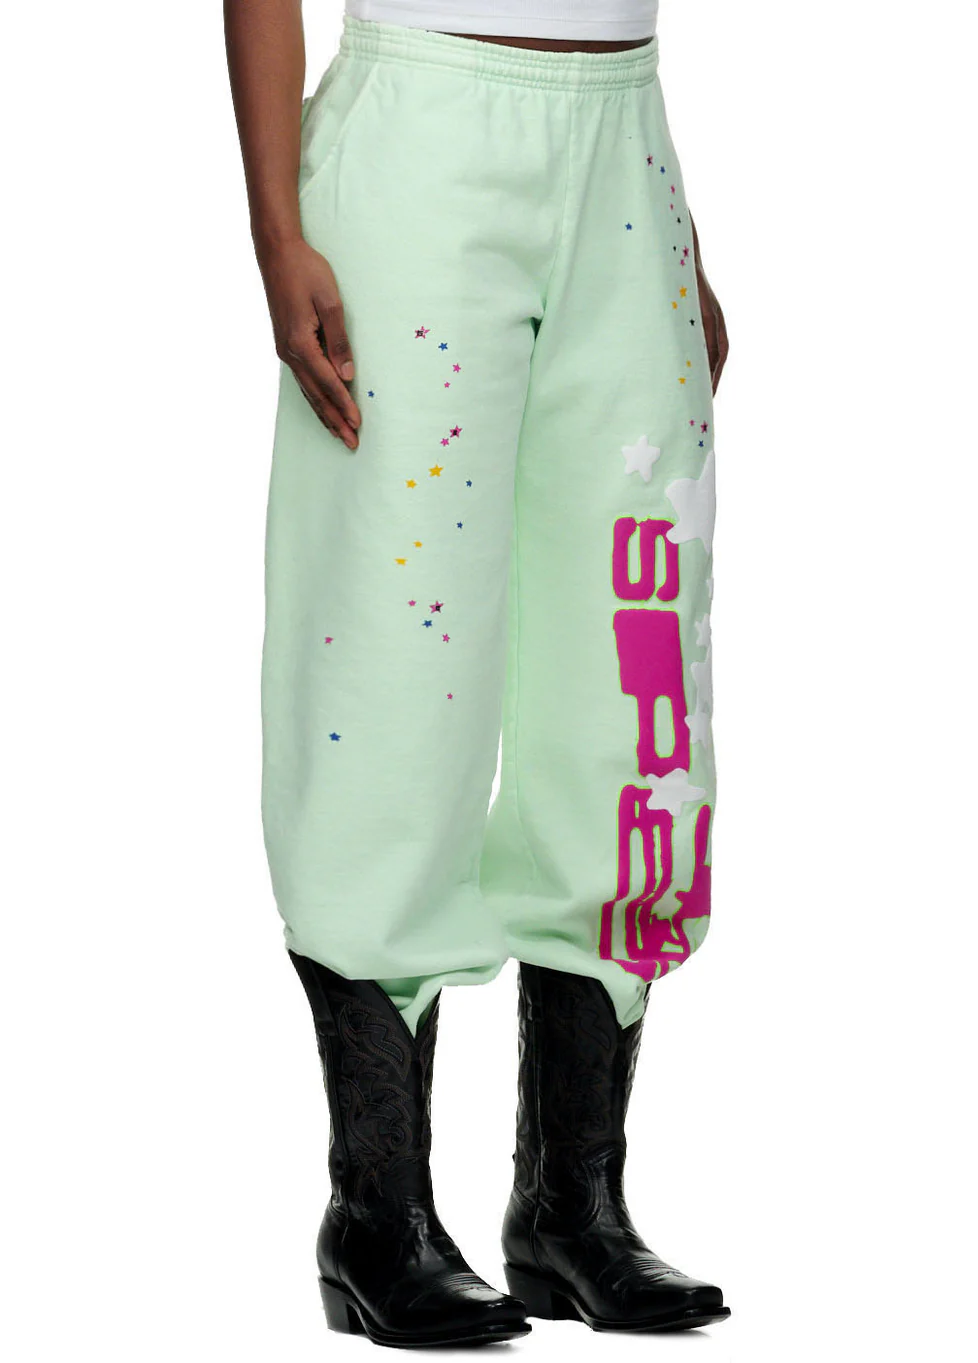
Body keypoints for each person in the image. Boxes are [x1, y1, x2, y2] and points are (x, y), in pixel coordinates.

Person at [226, 0, 730, 1348]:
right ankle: (377, 1215)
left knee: (629, 678)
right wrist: (278, 232)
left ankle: (573, 1207)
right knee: (390, 673)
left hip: (624, 141)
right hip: (422, 131)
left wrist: (671, 223)